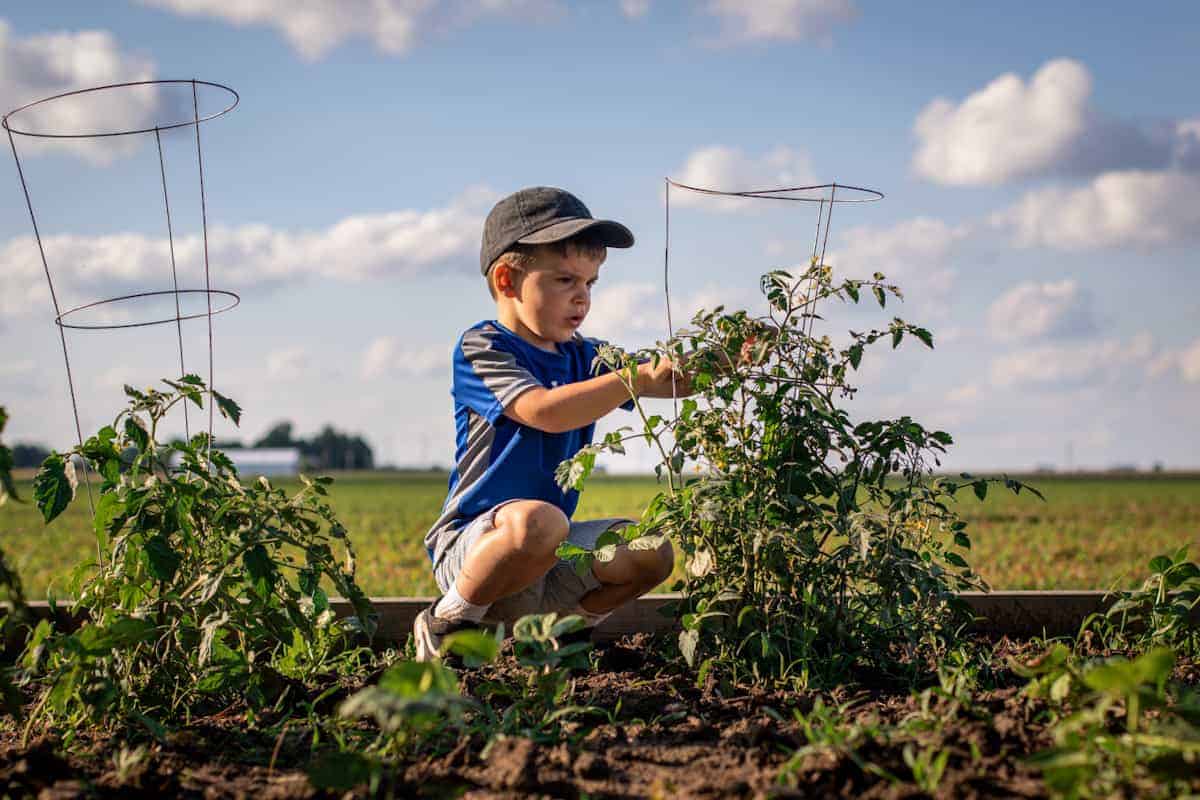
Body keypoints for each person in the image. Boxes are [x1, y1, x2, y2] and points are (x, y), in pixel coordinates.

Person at [415, 186, 693, 662]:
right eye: (565, 280)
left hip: (551, 554)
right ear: (507, 280)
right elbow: (544, 410)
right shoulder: (483, 347)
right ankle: (449, 624)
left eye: (591, 283)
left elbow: (665, 378)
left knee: (651, 549)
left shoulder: (587, 355)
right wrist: (637, 378)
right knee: (540, 522)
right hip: (477, 546)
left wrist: (728, 359)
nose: (582, 297)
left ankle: (557, 638)